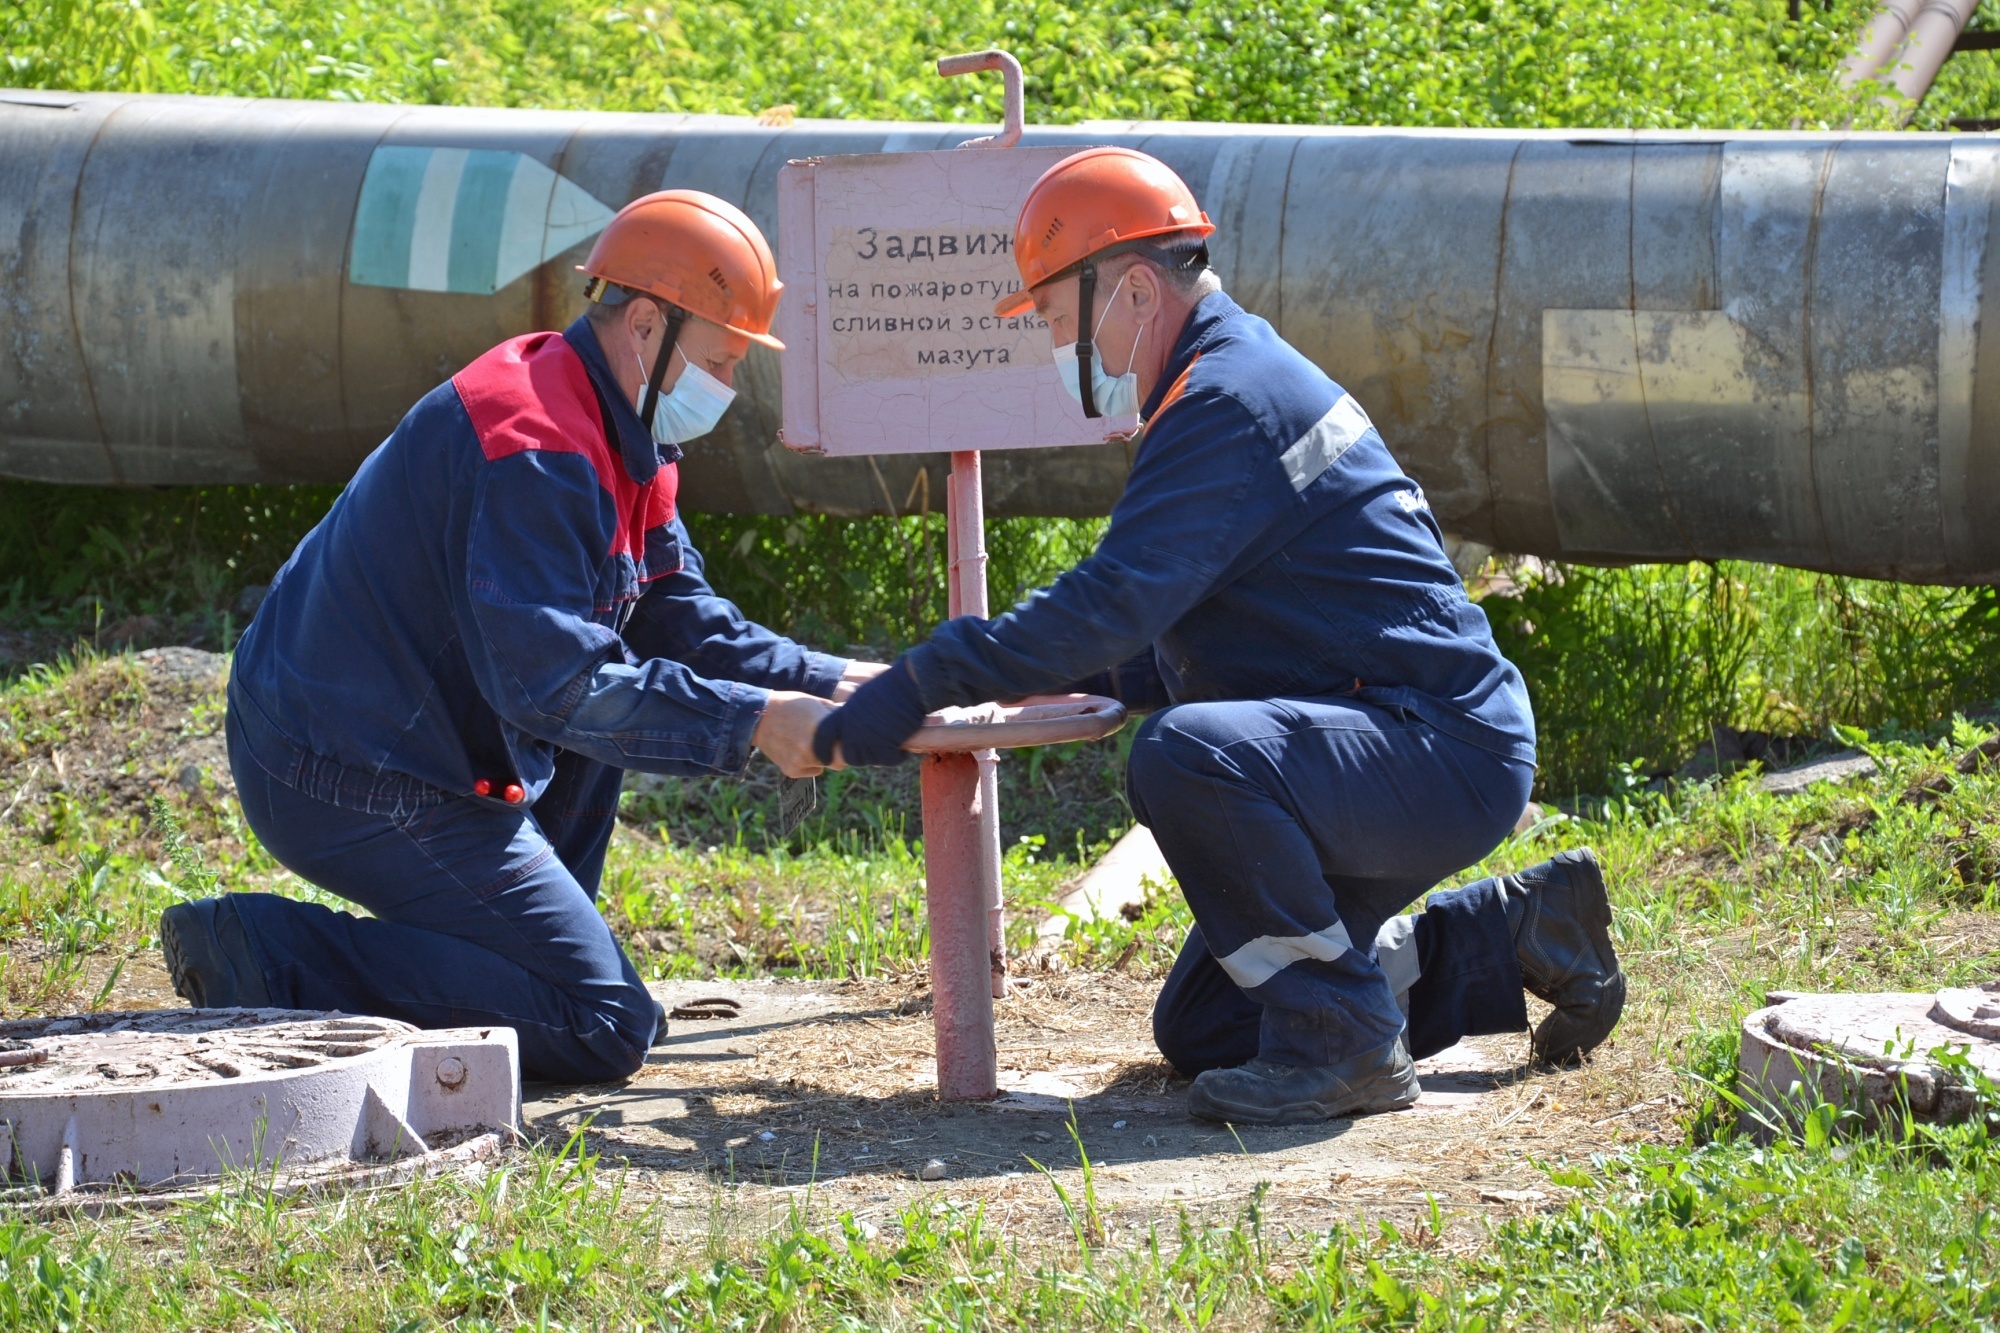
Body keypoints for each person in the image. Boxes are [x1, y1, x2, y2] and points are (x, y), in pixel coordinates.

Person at [813, 148, 1625, 1124]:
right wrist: (1066, 677)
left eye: (1055, 315)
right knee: (1204, 1027)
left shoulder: (1223, 400)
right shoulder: (1224, 380)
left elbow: (1115, 597)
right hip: (1391, 734)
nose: (1053, 344)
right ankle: (1517, 933)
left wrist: (923, 679)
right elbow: (1220, 618)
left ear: (1135, 290)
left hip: (1428, 742)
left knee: (1188, 758)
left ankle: (1347, 1047)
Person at [162, 191, 864, 1083]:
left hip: (412, 739)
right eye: (723, 361)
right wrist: (755, 720)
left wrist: (845, 679)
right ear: (648, 323)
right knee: (603, 1021)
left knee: (557, 915)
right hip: (341, 765)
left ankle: (502, 955)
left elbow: (674, 612)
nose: (727, 388)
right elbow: (553, 686)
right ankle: (263, 952)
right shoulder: (532, 442)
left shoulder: (617, 428)